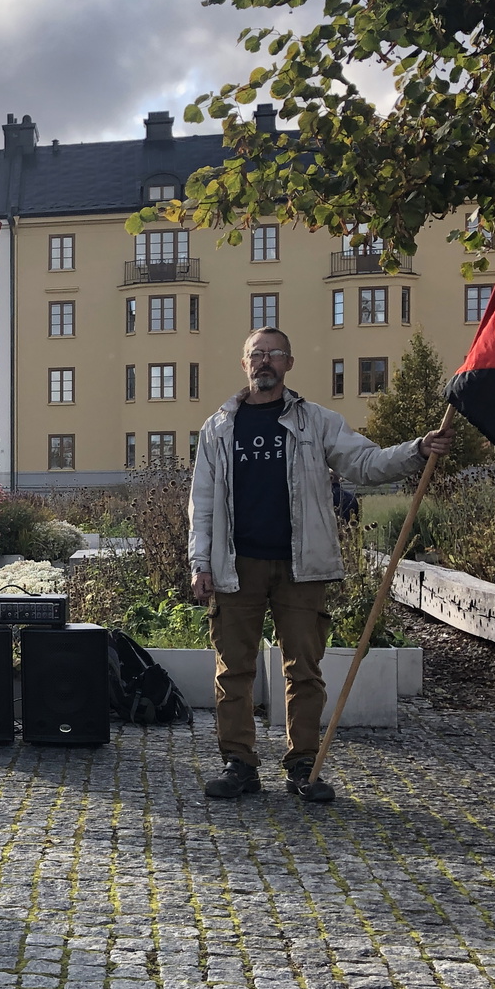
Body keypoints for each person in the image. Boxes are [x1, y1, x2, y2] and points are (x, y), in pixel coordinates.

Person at [190, 327, 452, 803]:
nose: (264, 361)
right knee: (233, 670)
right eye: (256, 354)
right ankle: (239, 764)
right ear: (244, 363)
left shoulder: (317, 422)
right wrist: (199, 562)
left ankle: (303, 764)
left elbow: (365, 463)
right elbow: (202, 502)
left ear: (289, 364)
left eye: (274, 354)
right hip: (236, 567)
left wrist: (416, 450)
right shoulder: (219, 427)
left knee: (304, 670)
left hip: (301, 566)